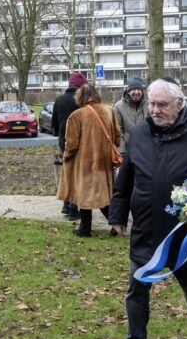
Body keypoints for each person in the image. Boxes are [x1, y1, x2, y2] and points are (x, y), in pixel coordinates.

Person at [106, 79, 187, 339]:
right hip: (146, 228)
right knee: (136, 289)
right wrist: (118, 214)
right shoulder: (141, 132)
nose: (154, 110)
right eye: (151, 104)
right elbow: (126, 177)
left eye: (161, 105)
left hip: (185, 231)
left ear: (179, 104)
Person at [56, 83, 120, 237]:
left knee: (84, 195)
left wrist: (66, 157)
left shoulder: (77, 115)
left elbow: (71, 144)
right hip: (104, 162)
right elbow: (117, 138)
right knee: (103, 195)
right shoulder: (109, 111)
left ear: (80, 98)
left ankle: (85, 229)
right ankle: (116, 225)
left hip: (84, 163)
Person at [53, 72, 87, 221]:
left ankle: (66, 204)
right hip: (80, 142)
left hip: (63, 142)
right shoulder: (82, 101)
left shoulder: (59, 100)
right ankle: (73, 208)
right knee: (77, 174)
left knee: (67, 172)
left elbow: (53, 124)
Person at [113, 77, 146, 154]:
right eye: (133, 89)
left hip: (146, 150)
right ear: (128, 91)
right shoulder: (118, 107)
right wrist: (122, 151)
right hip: (128, 151)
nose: (136, 92)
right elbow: (118, 131)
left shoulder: (148, 104)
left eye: (139, 89)